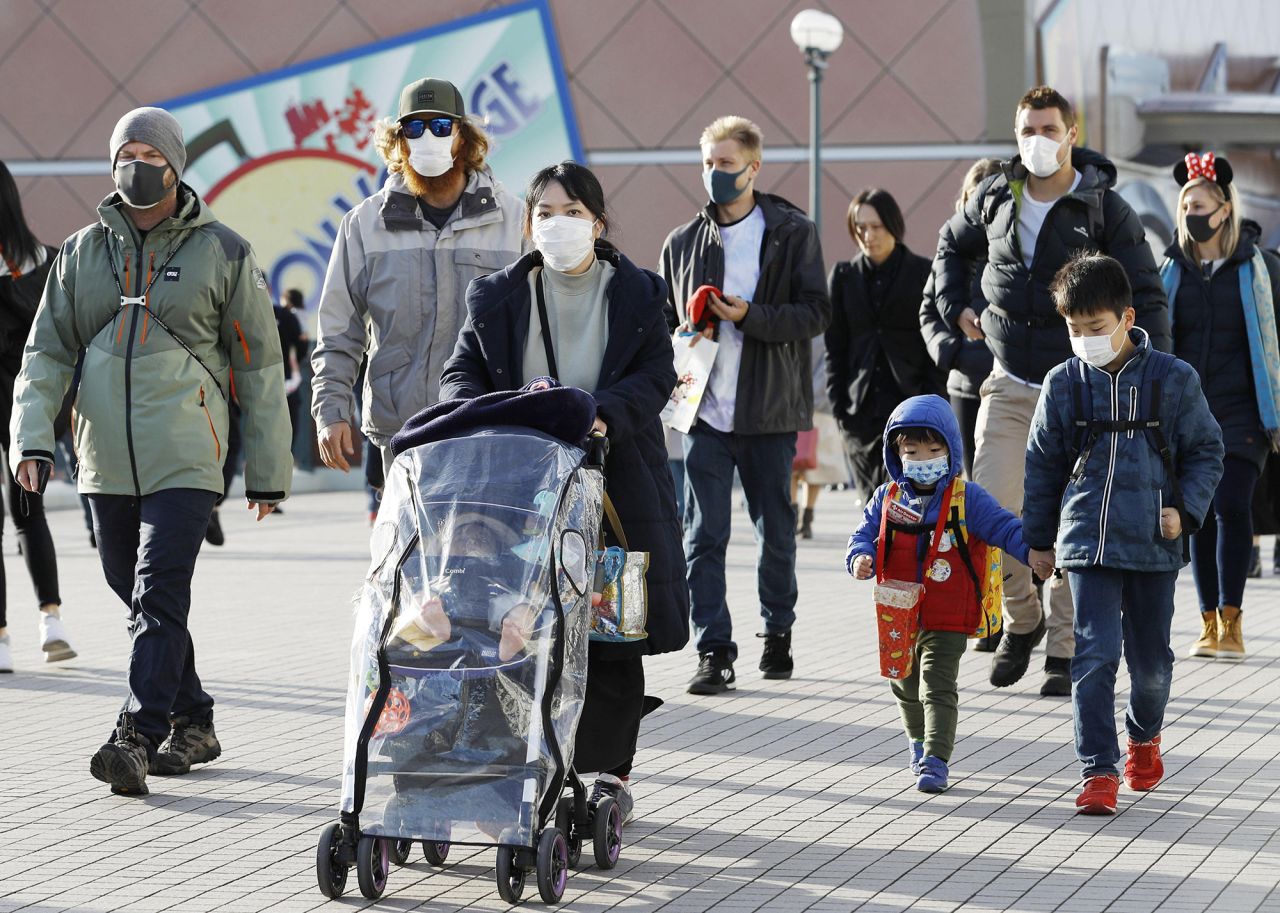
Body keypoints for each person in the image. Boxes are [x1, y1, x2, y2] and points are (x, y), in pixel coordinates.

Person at [8, 107, 293, 795]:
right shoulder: (79, 253)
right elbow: (46, 351)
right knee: (132, 590)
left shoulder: (223, 251)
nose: (134, 163)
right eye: (124, 151)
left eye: (147, 152)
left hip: (188, 455)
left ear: (174, 165)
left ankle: (136, 732)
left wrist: (267, 473)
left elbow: (257, 366)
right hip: (102, 455)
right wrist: (32, 438)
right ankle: (195, 720)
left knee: (158, 590)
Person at [440, 161, 689, 824]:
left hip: (616, 490)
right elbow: (460, 373)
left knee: (608, 632)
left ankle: (608, 774)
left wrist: (604, 410)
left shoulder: (636, 292)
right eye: (545, 211)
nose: (558, 223)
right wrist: (480, 413)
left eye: (573, 211)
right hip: (519, 489)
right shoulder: (496, 296)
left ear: (598, 223)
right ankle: (523, 759)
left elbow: (657, 373)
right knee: (517, 628)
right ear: (529, 223)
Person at [932, 85, 1171, 697]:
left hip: (1080, 389)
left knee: (1074, 517)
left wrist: (1153, 380)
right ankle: (1023, 619)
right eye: (1026, 130)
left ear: (1071, 133)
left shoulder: (1103, 207)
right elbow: (948, 249)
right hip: (1008, 380)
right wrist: (957, 307)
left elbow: (1146, 291)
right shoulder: (995, 196)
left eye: (1048, 129)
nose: (1037, 141)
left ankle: (1063, 648)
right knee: (990, 505)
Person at [1023, 253, 1223, 815]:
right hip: (1087, 541)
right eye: (1074, 329)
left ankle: (1144, 735)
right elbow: (1041, 465)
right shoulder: (1063, 384)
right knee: (1094, 655)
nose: (1085, 339)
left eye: (1096, 327)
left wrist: (1185, 512)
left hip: (1156, 543)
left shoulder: (1173, 379)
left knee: (1152, 663)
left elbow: (1207, 451)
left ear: (1126, 316)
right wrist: (1038, 541)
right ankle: (1098, 772)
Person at [658, 116, 829, 694]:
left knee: (775, 531)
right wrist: (686, 332)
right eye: (707, 163)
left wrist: (747, 316)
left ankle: (777, 631)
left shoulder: (790, 231)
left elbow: (815, 313)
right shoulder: (681, 242)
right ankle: (713, 650)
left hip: (769, 412)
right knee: (701, 536)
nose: (714, 174)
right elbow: (662, 329)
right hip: (703, 412)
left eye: (726, 164)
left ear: (754, 168)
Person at [311, 77, 524, 477]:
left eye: (441, 126)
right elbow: (339, 330)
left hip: (490, 427)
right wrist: (331, 410)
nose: (428, 138)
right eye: (415, 127)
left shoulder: (514, 221)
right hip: (403, 434)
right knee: (408, 540)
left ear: (464, 137)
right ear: (399, 140)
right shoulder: (364, 225)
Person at [848, 394, 1045, 793]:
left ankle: (936, 760)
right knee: (902, 682)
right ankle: (918, 743)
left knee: (936, 684)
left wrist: (1032, 552)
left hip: (948, 614)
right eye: (912, 450)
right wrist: (859, 558)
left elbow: (1005, 528)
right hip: (898, 612)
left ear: (951, 449)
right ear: (896, 452)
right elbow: (863, 534)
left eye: (934, 449)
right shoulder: (886, 497)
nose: (924, 457)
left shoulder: (966, 497)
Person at [1160, 153, 1280, 663]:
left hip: (1244, 411)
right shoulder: (1169, 271)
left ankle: (1232, 621)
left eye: (1200, 203)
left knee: (1232, 504)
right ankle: (1208, 623)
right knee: (1201, 515)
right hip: (1190, 415)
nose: (1191, 211)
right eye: (1185, 203)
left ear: (1225, 210)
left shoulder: (1260, 267)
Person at [0, 160, 70, 672]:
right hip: (26, 403)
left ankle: (0, 640)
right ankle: (51, 620)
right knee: (29, 513)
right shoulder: (43, 259)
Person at [826, 188, 942, 499]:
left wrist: (932, 398)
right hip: (859, 411)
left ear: (892, 225)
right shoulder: (843, 276)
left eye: (875, 226)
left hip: (910, 404)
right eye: (860, 226)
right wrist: (839, 406)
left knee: (911, 503)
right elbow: (835, 346)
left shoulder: (922, 272)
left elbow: (932, 339)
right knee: (872, 505)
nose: (867, 234)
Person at [919, 158, 1001, 481]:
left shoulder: (1015, 247)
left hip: (1013, 379)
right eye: (973, 197)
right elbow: (929, 309)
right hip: (966, 385)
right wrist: (954, 352)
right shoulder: (952, 251)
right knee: (973, 479)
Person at [275, 287, 308, 458]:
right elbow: (302, 345)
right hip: (289, 377)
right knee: (290, 423)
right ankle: (287, 457)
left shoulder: (287, 315)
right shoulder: (292, 315)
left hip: (275, 378)